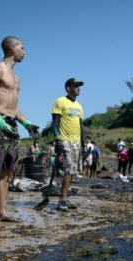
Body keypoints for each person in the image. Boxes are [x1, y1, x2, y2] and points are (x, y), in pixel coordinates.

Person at [0, 36, 40, 225]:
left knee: (6, 172)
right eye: (22, 48)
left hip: (12, 126)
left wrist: (27, 123)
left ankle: (2, 212)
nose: (24, 52)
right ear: (13, 48)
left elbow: (13, 106)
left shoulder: (16, 76)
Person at [51, 77, 85, 211]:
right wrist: (58, 139)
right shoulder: (60, 101)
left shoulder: (79, 106)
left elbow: (80, 125)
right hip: (65, 139)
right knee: (69, 168)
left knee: (73, 171)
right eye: (76, 85)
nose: (78, 88)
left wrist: (83, 143)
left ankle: (65, 199)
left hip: (76, 141)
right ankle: (62, 200)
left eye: (79, 86)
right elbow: (55, 122)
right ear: (68, 88)